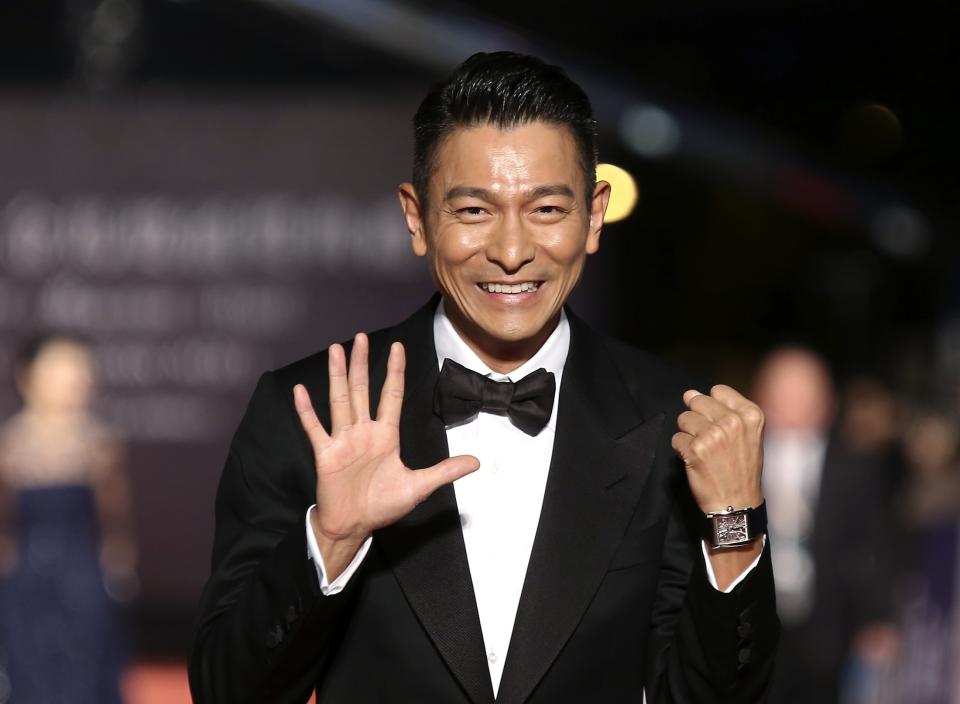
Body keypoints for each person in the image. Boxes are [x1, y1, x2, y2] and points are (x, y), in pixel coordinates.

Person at [189, 51, 778, 703]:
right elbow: (227, 692)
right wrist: (331, 539)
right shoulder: (312, 413)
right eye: (473, 212)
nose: (511, 250)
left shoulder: (673, 426)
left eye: (547, 210)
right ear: (417, 218)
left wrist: (735, 526)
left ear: (594, 215)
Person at [752, 348, 899, 704]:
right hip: (752, 618)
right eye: (782, 390)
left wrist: (878, 617)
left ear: (827, 400)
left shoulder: (855, 464)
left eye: (804, 391)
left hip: (827, 621)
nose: (792, 402)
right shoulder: (742, 456)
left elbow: (876, 541)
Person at [0, 333, 134, 704]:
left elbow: (115, 523)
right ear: (28, 376)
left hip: (83, 574)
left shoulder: (99, 443)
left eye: (78, 368)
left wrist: (116, 571)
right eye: (59, 367)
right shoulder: (8, 445)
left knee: (86, 673)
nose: (73, 377)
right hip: (23, 580)